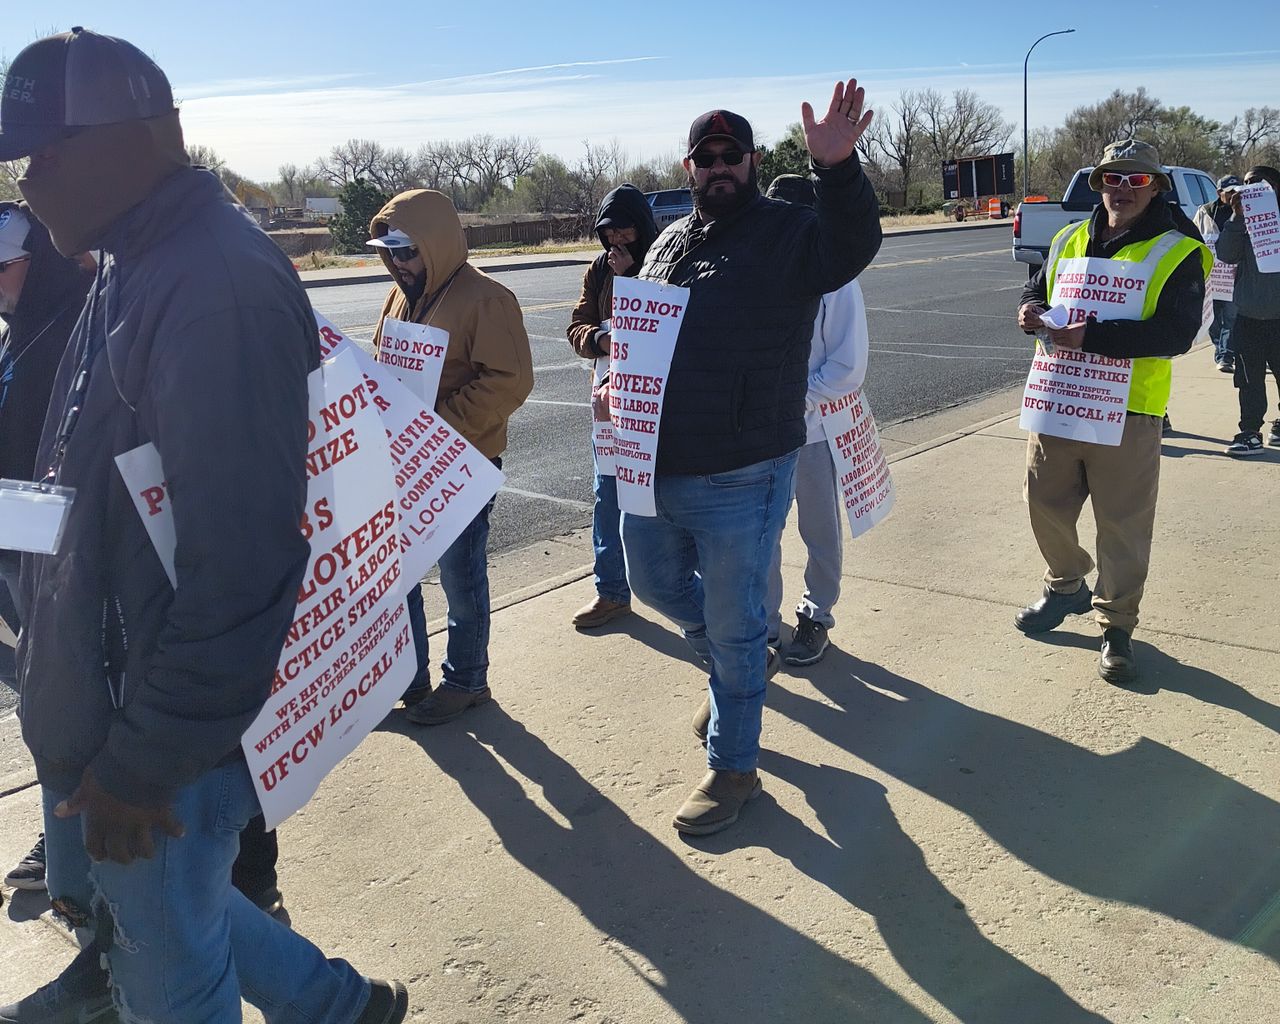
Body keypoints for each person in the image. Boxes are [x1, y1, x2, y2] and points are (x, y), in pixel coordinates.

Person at [0, 28, 406, 1023]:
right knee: (179, 910)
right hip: (115, 708)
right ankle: (340, 1007)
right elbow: (87, 480)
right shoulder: (131, 259)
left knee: (169, 965)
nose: (26, 180)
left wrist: (141, 766)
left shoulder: (211, 284)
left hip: (163, 745)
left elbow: (243, 561)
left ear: (134, 138)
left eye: (40, 152)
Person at [619, 83, 882, 836]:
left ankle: (735, 767)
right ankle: (741, 664)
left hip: (745, 466)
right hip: (657, 460)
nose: (719, 167)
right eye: (706, 158)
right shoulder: (668, 242)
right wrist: (617, 380)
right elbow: (648, 338)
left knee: (736, 622)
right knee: (654, 583)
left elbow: (852, 243)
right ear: (689, 168)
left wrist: (838, 168)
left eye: (731, 155)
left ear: (753, 162)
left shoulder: (790, 233)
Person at [1014, 140, 1210, 685]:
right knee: (1042, 501)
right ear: (1098, 184)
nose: (1122, 188)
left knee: (1122, 526)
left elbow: (1176, 333)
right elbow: (1038, 286)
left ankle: (1117, 626)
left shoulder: (1178, 250)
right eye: (1111, 178)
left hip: (1129, 410)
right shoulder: (1069, 238)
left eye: (1136, 179)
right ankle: (1067, 585)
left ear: (1157, 187)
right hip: (1059, 397)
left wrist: (1092, 336)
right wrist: (1030, 308)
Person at [366, 190, 533, 725]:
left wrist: (438, 427)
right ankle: (410, 679)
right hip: (407, 463)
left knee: (460, 579)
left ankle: (467, 680)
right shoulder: (400, 297)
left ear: (435, 243)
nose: (398, 263)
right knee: (401, 576)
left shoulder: (486, 299)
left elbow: (509, 381)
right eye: (389, 252)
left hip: (462, 464)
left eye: (407, 251)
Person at [0, 202, 93, 898]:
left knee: (60, 698)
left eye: (2, 267)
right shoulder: (25, 325)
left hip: (54, 546)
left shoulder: (77, 325)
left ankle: (66, 833)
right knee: (37, 692)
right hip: (17, 536)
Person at [760, 175, 869, 667]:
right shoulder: (757, 269)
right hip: (761, 433)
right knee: (761, 533)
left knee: (819, 530)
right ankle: (763, 623)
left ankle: (816, 615)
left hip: (814, 431)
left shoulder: (837, 280)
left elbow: (847, 367)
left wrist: (793, 400)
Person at [566, 184, 657, 630]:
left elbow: (661, 319)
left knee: (664, 499)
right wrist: (601, 339)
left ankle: (686, 587)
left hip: (653, 402)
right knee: (607, 496)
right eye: (609, 233)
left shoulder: (662, 260)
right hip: (607, 400)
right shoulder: (598, 269)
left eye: (624, 231)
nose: (616, 241)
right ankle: (612, 592)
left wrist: (630, 278)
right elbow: (577, 325)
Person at [1217, 165, 1280, 456]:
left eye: (1259, 182)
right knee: (1248, 379)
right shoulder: (1242, 223)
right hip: (1248, 317)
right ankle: (1250, 432)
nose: (1251, 187)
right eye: (1246, 183)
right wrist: (1237, 217)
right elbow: (1226, 255)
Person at [1193, 174, 1244, 373]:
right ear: (1219, 193)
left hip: (1234, 274)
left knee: (1231, 317)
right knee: (1212, 318)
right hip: (1211, 275)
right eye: (1229, 192)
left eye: (1237, 191)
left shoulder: (1245, 210)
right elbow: (1194, 236)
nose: (1233, 196)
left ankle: (1225, 356)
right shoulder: (1205, 212)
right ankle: (1221, 348)